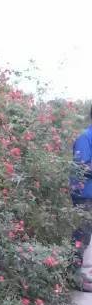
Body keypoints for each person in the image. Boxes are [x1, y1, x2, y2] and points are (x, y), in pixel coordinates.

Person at [70, 106, 92, 290]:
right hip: (84, 196)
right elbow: (81, 168)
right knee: (81, 236)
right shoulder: (85, 138)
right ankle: (75, 278)